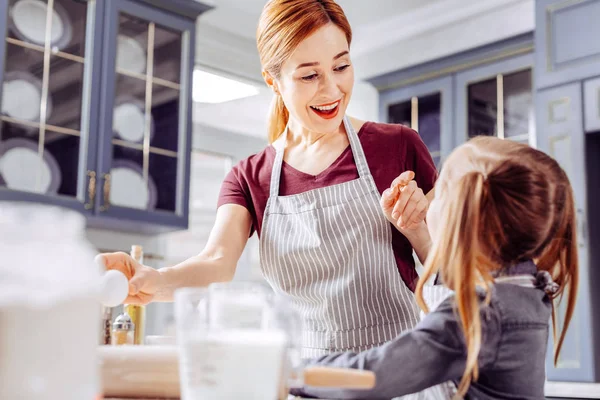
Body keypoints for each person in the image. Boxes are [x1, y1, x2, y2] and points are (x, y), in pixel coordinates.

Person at [97, 3, 447, 395]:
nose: (332, 89)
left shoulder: (397, 146)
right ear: (273, 80)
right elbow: (216, 262)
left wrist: (417, 231)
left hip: (401, 375)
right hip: (304, 380)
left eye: (341, 67)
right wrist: (155, 282)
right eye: (310, 75)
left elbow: (454, 267)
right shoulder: (251, 176)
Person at [291, 136, 579, 400]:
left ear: (459, 217)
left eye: (438, 193)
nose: (428, 203)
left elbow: (372, 376)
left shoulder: (478, 314)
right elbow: (458, 279)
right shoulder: (522, 285)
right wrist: (417, 232)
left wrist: (287, 370)